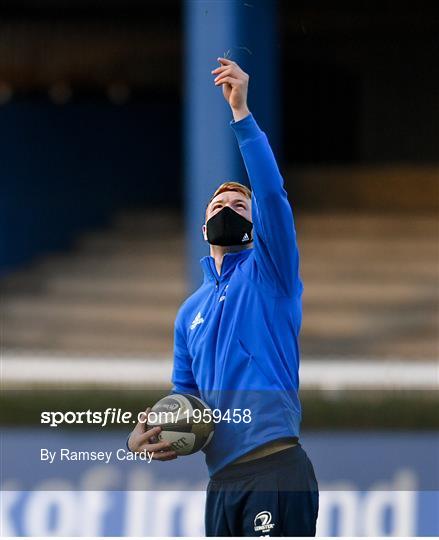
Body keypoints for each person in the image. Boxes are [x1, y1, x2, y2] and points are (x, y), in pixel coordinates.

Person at [128, 57, 319, 536]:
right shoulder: (188, 311)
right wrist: (147, 432)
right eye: (219, 204)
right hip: (220, 484)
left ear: (257, 227)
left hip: (277, 470)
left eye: (239, 205)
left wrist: (241, 114)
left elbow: (272, 194)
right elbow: (184, 396)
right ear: (203, 226)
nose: (229, 208)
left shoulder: (270, 273)